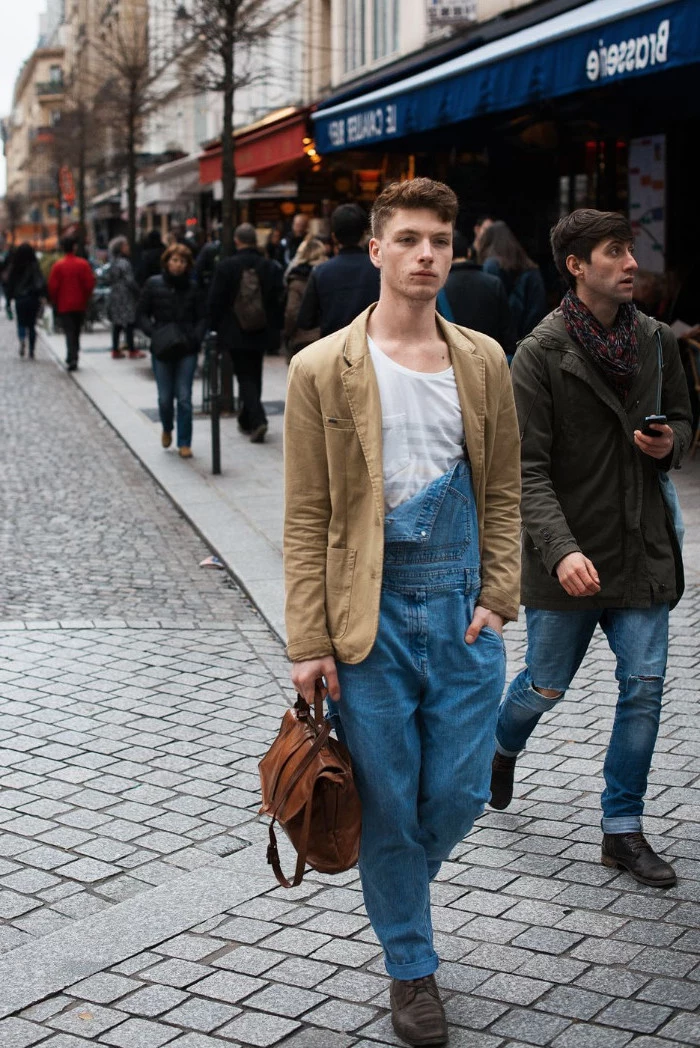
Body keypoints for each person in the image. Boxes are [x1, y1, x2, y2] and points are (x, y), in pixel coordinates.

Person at [284, 178, 521, 1047]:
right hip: (366, 616)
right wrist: (309, 640)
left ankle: (395, 888)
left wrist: (500, 594)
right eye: (410, 239)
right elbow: (307, 512)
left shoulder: (484, 359)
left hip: (462, 610)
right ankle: (411, 970)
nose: (427, 254)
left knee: (457, 792)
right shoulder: (320, 368)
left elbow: (501, 489)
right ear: (376, 249)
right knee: (385, 803)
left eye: (441, 242)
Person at [490, 208, 692, 889]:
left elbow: (687, 419)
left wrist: (672, 446)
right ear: (578, 266)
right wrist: (561, 549)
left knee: (643, 685)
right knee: (545, 685)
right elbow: (527, 469)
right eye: (615, 251)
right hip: (568, 558)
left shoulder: (658, 341)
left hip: (642, 551)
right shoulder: (540, 354)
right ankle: (500, 741)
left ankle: (621, 829)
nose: (632, 262)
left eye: (630, 249)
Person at [207, 223, 284, 444]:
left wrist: (214, 329)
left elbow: (216, 301)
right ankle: (247, 418)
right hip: (261, 329)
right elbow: (278, 299)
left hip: (235, 331)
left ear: (237, 241)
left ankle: (258, 419)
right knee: (255, 373)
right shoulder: (269, 266)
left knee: (243, 376)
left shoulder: (227, 266)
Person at [136, 243, 205, 458]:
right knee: (165, 398)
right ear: (167, 261)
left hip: (186, 347)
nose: (178, 265)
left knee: (184, 397)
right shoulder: (153, 284)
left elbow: (203, 316)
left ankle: (185, 442)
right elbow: (141, 314)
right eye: (174, 260)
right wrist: (154, 333)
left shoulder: (193, 288)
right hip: (163, 347)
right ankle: (167, 427)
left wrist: (196, 336)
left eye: (182, 261)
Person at [295, 203, 381, 338]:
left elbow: (305, 321)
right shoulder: (379, 269)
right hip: (372, 346)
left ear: (334, 237)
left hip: (333, 349)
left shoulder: (320, 272)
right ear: (364, 235)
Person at [439, 230, 517, 359]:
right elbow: (508, 336)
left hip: (456, 368)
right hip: (491, 364)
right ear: (469, 253)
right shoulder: (494, 283)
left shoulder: (438, 288)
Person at [477, 220, 548, 340]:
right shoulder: (530, 269)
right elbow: (537, 310)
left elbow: (487, 308)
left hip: (501, 342)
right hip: (529, 339)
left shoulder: (490, 266)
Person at [47, 235, 96, 371]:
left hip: (64, 304)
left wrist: (54, 300)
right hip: (80, 303)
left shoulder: (58, 266)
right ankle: (74, 354)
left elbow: (53, 286)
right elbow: (89, 283)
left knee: (69, 331)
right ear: (74, 247)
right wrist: (86, 298)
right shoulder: (83, 264)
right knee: (76, 330)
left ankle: (72, 356)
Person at [283, 234, 327, 359]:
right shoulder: (329, 276)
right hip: (327, 338)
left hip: (302, 339)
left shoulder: (296, 280)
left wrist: (288, 334)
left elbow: (291, 312)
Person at [5, 242, 46, 359]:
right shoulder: (34, 265)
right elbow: (41, 281)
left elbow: (10, 285)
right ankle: (32, 350)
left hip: (20, 299)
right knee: (32, 325)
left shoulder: (15, 266)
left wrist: (8, 302)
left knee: (21, 323)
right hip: (33, 298)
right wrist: (44, 296)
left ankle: (22, 339)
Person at [107, 236, 143, 359]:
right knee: (129, 323)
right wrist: (139, 292)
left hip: (115, 294)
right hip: (125, 296)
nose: (128, 248)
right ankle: (131, 349)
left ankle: (115, 349)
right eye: (126, 245)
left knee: (117, 323)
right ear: (121, 248)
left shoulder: (113, 262)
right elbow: (130, 281)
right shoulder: (124, 263)